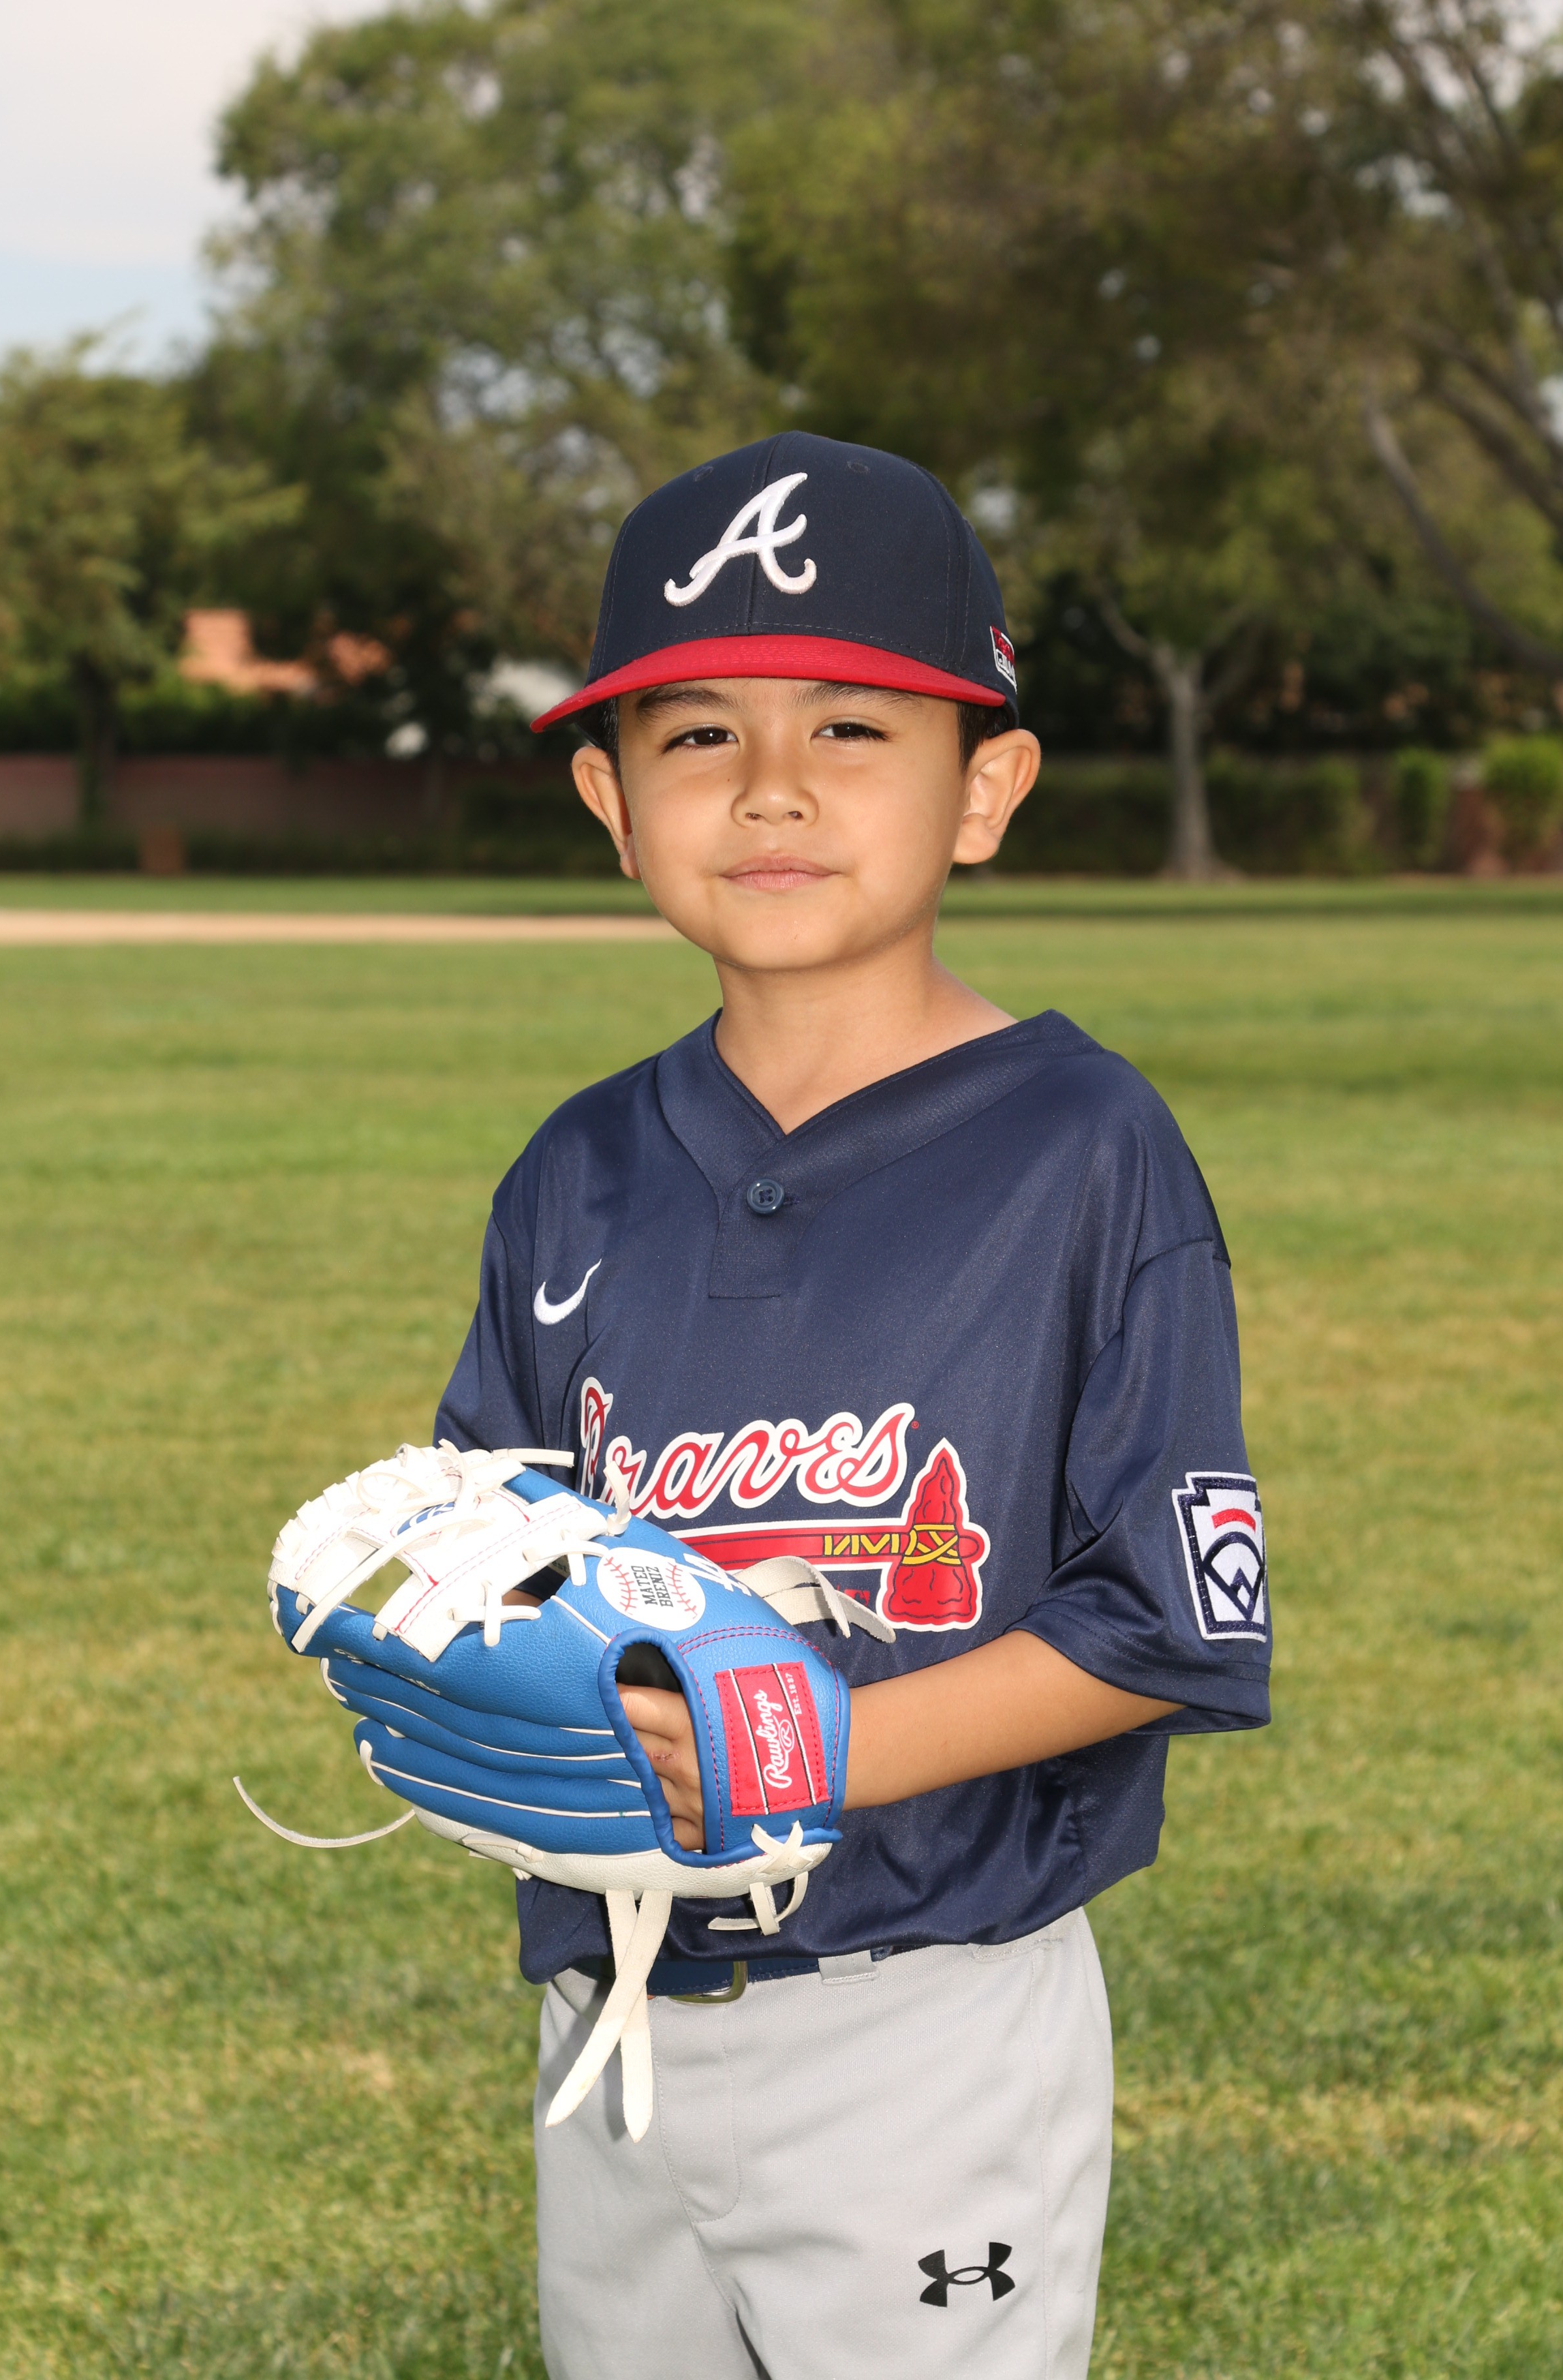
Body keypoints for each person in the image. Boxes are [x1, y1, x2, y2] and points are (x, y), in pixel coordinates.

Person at [435, 432, 1271, 2380]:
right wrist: (455, 1639)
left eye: (853, 728)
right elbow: (498, 1545)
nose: (774, 785)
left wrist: (806, 1747)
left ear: (986, 790)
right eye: (697, 734)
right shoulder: (575, 1172)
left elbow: (1167, 1619)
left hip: (931, 2018)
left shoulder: (1086, 1148)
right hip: (616, 2004)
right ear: (610, 801)